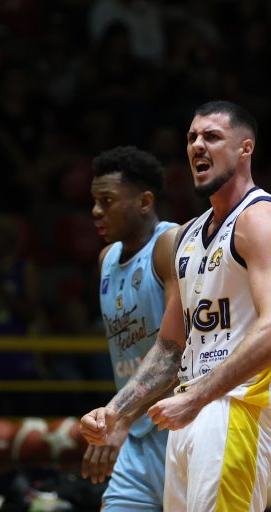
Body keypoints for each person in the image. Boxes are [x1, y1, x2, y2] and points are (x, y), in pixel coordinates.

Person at [82, 100, 271, 511]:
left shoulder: (261, 218)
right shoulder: (187, 236)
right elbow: (170, 348)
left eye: (212, 136)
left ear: (245, 148)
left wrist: (197, 395)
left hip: (238, 408)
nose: (198, 145)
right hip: (189, 413)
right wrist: (115, 411)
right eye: (192, 138)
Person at [82, 145, 178, 509]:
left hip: (182, 428)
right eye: (94, 201)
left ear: (144, 202)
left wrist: (119, 416)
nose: (96, 211)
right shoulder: (106, 259)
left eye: (107, 201)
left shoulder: (170, 245)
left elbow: (180, 352)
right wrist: (120, 418)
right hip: (135, 435)